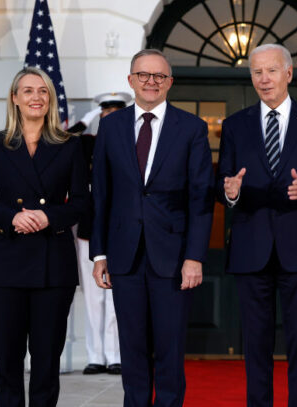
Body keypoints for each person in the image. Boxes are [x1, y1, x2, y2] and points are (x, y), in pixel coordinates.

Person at [217, 44, 297, 407]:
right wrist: (229, 191)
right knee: (255, 343)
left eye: (271, 70)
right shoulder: (235, 125)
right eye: (257, 72)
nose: (264, 79)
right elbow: (222, 182)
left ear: (289, 73)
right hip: (251, 246)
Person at [89, 49, 214, 407]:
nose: (151, 82)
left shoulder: (191, 128)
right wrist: (99, 254)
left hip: (173, 259)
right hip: (123, 256)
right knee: (132, 348)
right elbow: (102, 194)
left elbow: (201, 199)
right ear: (131, 81)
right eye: (144, 75)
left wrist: (194, 257)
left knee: (170, 349)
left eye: (159, 76)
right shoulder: (111, 127)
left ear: (169, 83)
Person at [0, 67, 88, 407]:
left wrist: (49, 216)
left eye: (43, 91)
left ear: (50, 100)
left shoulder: (69, 146)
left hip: (53, 265)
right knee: (7, 358)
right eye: (28, 91)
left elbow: (82, 202)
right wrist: (12, 218)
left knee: (46, 360)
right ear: (15, 99)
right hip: (6, 263)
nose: (36, 97)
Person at [68, 92, 132, 376]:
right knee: (94, 298)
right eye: (106, 115)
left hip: (120, 229)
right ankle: (96, 356)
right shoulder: (85, 144)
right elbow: (62, 140)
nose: (110, 120)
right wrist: (87, 120)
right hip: (88, 229)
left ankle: (116, 355)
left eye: (116, 114)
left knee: (118, 298)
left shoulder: (131, 142)